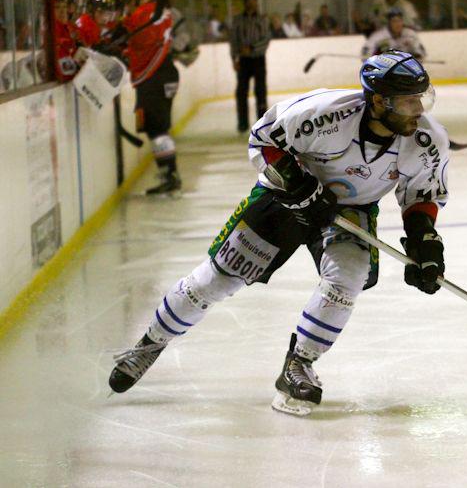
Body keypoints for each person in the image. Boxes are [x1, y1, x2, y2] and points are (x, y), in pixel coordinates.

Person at [107, 50, 449, 417]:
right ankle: (148, 345)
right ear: (379, 101)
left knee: (349, 275)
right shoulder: (323, 114)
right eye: (409, 101)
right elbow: (263, 140)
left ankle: (299, 363)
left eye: (422, 98)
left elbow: (421, 196)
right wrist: (299, 186)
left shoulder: (427, 140)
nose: (419, 109)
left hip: (350, 210)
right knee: (217, 280)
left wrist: (424, 242)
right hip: (283, 198)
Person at [122, 0, 181, 196]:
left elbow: (136, 37)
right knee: (158, 128)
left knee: (156, 129)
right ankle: (169, 174)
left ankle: (170, 176)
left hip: (155, 75)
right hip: (165, 73)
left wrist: (123, 18)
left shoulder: (145, 12)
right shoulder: (158, 9)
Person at [230, 0, 270, 133]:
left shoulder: (262, 19)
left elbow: (266, 39)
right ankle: (242, 123)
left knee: (260, 91)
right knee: (241, 92)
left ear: (256, 1)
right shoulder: (237, 20)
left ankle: (262, 123)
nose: (250, 2)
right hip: (243, 61)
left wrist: (252, 48)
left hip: (258, 60)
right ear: (244, 2)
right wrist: (234, 58)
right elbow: (233, 41)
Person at [361, 9, 426, 60]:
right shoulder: (378, 37)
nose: (397, 24)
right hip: (385, 71)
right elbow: (365, 56)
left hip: (406, 69)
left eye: (399, 21)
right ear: (389, 23)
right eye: (394, 21)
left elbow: (420, 53)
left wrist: (417, 56)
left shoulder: (410, 35)